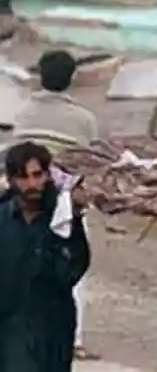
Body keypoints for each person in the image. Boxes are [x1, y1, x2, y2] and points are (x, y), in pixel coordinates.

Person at [13, 49, 99, 361]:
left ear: (41, 75)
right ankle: (75, 339)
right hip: (65, 204)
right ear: (71, 78)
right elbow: (90, 162)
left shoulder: (23, 114)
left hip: (24, 202)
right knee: (72, 266)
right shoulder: (84, 120)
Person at [0, 141, 90, 372]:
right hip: (9, 328)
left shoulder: (62, 219)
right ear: (11, 180)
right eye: (23, 177)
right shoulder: (3, 218)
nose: (32, 184)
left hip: (52, 330)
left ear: (48, 175)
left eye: (37, 175)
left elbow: (75, 268)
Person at [13, 50, 99, 152]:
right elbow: (93, 154)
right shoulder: (85, 119)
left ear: (41, 76)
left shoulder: (21, 113)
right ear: (73, 76)